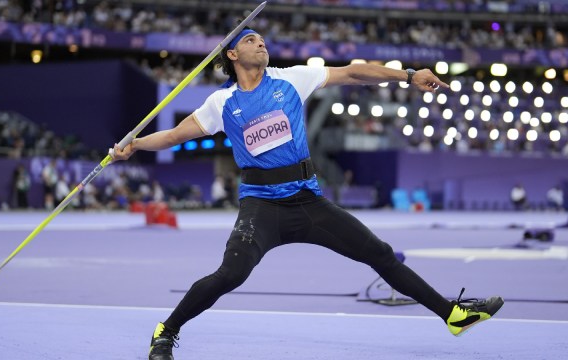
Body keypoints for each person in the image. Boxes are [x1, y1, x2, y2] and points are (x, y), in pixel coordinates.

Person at [110, 28, 504, 360]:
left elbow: (352, 73)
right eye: (251, 40)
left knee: (379, 254)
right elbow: (176, 135)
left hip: (308, 202)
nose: (261, 43)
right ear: (232, 54)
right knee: (231, 273)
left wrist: (408, 75)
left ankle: (453, 315)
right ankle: (167, 330)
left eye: (263, 39)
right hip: (261, 206)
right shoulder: (222, 103)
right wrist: (136, 144)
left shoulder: (290, 78)